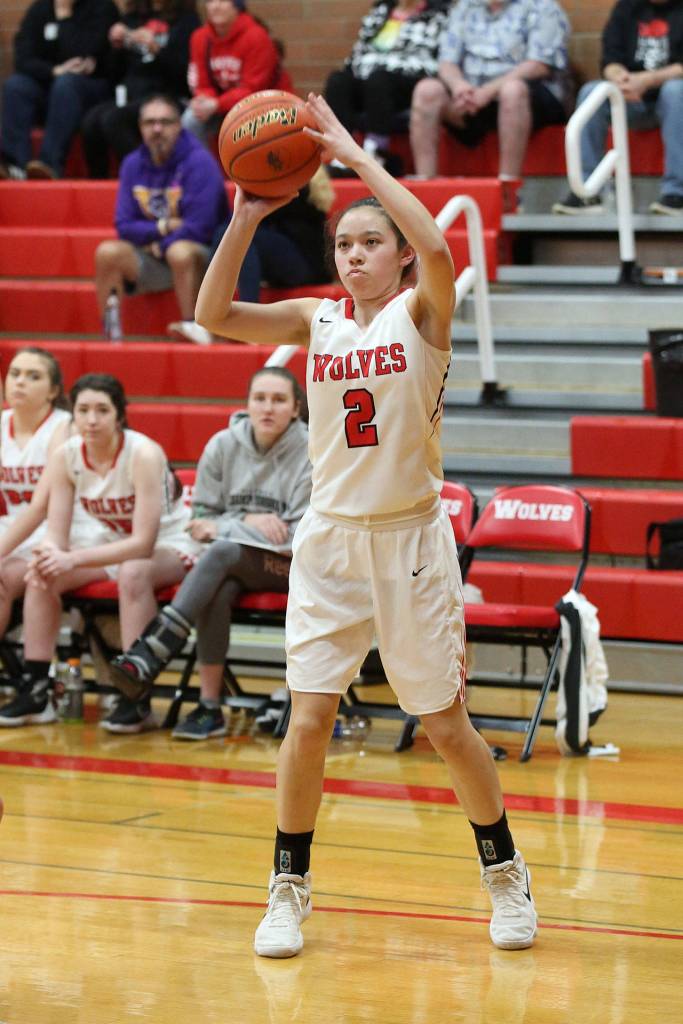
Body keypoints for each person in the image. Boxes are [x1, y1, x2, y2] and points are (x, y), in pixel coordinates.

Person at [190, 93, 538, 958]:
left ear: (392, 256)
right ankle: (287, 887)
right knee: (305, 721)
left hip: (412, 543)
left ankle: (503, 873)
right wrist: (243, 217)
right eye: (343, 244)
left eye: (367, 243)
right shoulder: (316, 319)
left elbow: (436, 244)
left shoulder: (421, 311)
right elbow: (213, 316)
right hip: (330, 540)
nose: (353, 257)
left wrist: (348, 152)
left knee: (446, 725)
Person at [108, 366, 312, 740]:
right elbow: (200, 520)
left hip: (294, 565)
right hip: (234, 559)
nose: (268, 407)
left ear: (296, 408)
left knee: (221, 552)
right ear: (248, 404)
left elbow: (298, 535)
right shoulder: (222, 445)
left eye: (279, 400)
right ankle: (209, 707)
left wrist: (228, 525)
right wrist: (251, 519)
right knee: (217, 584)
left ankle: (155, 648)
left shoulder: (313, 450)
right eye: (260, 398)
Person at [0, 373, 200, 731]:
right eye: (83, 410)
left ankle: (135, 698)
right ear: (72, 415)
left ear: (119, 416)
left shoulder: (143, 453)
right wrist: (49, 554)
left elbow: (143, 542)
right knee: (43, 572)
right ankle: (36, 690)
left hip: (170, 544)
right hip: (106, 542)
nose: (91, 419)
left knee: (134, 571)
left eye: (102, 410)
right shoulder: (66, 455)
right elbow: (57, 534)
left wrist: (72, 558)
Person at [409, 0, 571, 209]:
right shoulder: (465, 8)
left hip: (531, 97)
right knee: (427, 90)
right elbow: (447, 62)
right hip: (472, 97)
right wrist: (459, 86)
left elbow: (538, 65)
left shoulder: (543, 8)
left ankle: (507, 190)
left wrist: (488, 91)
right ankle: (424, 189)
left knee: (512, 90)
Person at [94, 93, 228, 340]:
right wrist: (165, 227)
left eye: (165, 122)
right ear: (140, 128)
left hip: (202, 259)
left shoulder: (200, 162)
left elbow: (201, 227)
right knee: (107, 252)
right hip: (155, 255)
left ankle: (196, 327)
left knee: (180, 250)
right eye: (149, 123)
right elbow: (124, 226)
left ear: (179, 125)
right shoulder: (132, 163)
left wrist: (160, 243)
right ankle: (110, 333)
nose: (157, 129)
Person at [168, 167, 334, 345]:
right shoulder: (271, 174)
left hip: (308, 265)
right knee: (225, 232)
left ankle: (245, 320)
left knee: (242, 236)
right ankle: (213, 316)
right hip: (278, 262)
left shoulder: (300, 180)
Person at [553, 0, 683, 215]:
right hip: (630, 96)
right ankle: (588, 191)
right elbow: (609, 59)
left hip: (672, 100)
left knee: (676, 91)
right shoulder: (627, 7)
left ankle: (677, 192)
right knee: (592, 92)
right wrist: (621, 78)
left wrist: (648, 80)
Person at [324, 0, 450, 176]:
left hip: (408, 80)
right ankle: (341, 152)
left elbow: (431, 59)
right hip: (370, 77)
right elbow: (359, 52)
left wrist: (384, 67)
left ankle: (376, 153)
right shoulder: (381, 11)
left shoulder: (437, 15)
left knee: (379, 79)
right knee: (338, 80)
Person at [81, 0, 200, 179]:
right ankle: (98, 181)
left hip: (168, 95)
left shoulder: (187, 20)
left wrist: (157, 50)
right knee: (90, 121)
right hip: (130, 95)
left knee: (114, 120)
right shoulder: (132, 18)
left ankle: (150, 177)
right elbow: (113, 75)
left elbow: (185, 73)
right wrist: (116, 48)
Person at [0, 0, 118, 180]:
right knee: (15, 85)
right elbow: (23, 59)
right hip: (50, 84)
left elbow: (85, 51)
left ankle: (49, 165)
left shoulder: (102, 8)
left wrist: (64, 16)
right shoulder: (40, 9)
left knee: (66, 83)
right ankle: (15, 165)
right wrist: (54, 70)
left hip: (90, 90)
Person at [0, 349, 72, 640]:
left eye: (33, 376)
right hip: (11, 532)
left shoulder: (64, 426)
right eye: (15, 374)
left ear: (53, 390)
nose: (20, 382)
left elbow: (41, 508)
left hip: (55, 535)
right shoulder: (3, 422)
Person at [182, 0, 292, 144]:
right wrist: (205, 101)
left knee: (247, 130)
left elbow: (253, 90)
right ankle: (202, 166)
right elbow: (202, 83)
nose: (215, 6)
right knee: (190, 120)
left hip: (265, 106)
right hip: (222, 104)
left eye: (223, 1)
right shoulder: (200, 37)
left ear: (237, 6)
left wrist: (217, 104)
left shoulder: (257, 36)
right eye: (210, 1)